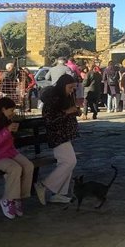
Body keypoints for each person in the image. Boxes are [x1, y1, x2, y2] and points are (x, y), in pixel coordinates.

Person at [0, 97, 34, 219]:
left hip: (8, 152)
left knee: (28, 166)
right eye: (11, 110)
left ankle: (19, 197)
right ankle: (8, 199)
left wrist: (10, 131)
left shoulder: (5, 121)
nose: (12, 113)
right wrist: (6, 131)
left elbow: (8, 142)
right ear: (3, 109)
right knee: (15, 168)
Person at [34, 74, 80, 204]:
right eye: (70, 87)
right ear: (62, 85)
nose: (72, 90)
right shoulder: (52, 99)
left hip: (65, 134)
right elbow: (49, 120)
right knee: (70, 162)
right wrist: (67, 112)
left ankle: (60, 193)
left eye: (73, 88)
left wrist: (75, 112)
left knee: (66, 163)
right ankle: (44, 185)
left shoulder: (65, 96)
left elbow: (67, 112)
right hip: (58, 134)